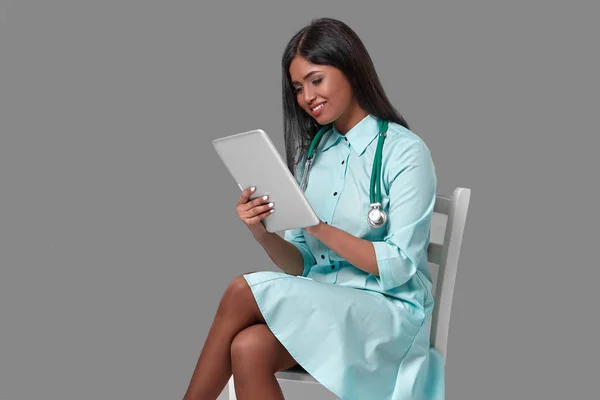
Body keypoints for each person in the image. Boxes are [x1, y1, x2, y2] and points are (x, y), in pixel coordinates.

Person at [183, 17, 444, 400]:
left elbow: (400, 264)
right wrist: (261, 230)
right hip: (328, 307)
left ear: (351, 69)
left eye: (316, 80)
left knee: (242, 290)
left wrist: (318, 226)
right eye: (298, 88)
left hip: (387, 317)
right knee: (248, 348)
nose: (307, 97)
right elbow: (302, 265)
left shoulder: (404, 152)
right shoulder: (312, 156)